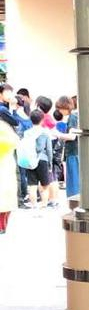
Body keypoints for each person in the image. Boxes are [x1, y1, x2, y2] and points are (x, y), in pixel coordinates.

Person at [0, 83, 19, 232]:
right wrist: (12, 108)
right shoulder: (2, 110)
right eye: (8, 92)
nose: (10, 94)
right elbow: (16, 122)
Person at [24, 109, 52, 210]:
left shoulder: (27, 133)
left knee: (32, 185)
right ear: (42, 119)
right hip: (42, 160)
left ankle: (34, 205)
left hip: (30, 160)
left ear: (31, 119)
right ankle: (44, 205)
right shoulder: (45, 132)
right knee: (45, 185)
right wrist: (50, 164)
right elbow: (49, 149)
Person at [55, 96, 80, 203]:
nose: (59, 111)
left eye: (59, 108)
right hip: (74, 152)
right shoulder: (75, 115)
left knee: (73, 182)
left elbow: (72, 136)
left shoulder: (72, 117)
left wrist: (57, 134)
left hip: (73, 152)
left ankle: (74, 204)